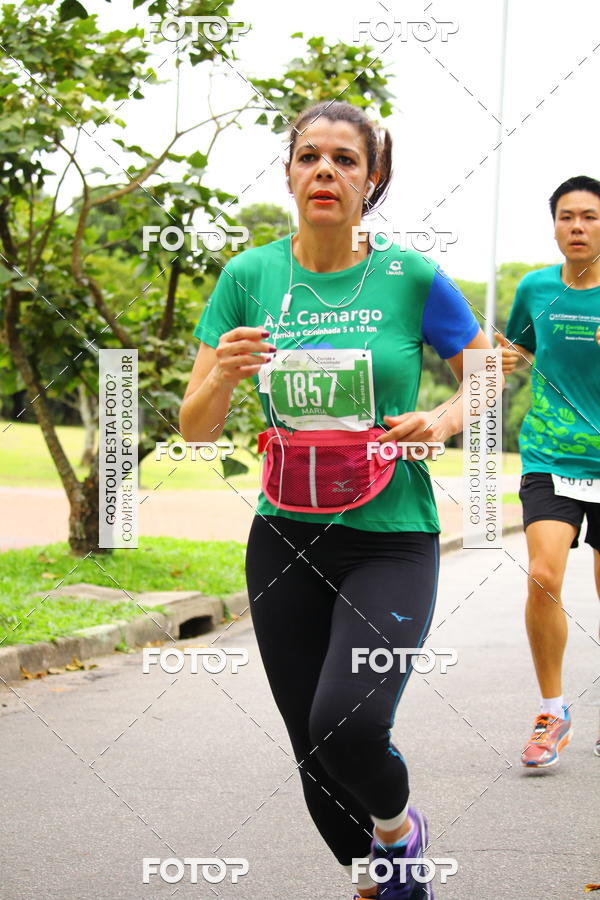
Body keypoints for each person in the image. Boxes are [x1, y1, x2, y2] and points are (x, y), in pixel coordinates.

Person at [180, 100, 493, 899]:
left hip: (391, 537)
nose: (325, 170)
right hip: (285, 537)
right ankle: (377, 884)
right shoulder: (248, 277)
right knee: (312, 751)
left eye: (345, 160)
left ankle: (398, 832)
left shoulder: (409, 276)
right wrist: (222, 370)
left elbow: (485, 375)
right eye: (309, 156)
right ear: (288, 173)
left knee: (344, 722)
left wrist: (443, 420)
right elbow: (196, 424)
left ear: (372, 178)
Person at [497, 174, 600, 767]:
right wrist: (507, 358)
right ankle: (553, 710)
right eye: (566, 217)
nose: (577, 227)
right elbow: (517, 351)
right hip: (550, 454)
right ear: (554, 224)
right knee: (544, 575)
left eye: (588, 216)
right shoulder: (536, 288)